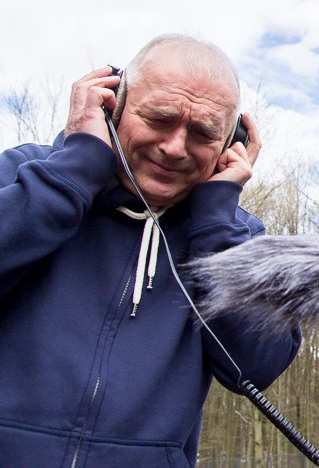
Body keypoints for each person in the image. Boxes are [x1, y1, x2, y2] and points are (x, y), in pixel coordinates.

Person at [0, 34, 301, 467]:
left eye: (202, 133)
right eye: (159, 119)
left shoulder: (236, 237)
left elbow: (259, 365)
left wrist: (215, 223)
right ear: (112, 106)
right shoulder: (25, 177)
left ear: (229, 145)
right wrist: (74, 174)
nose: (175, 147)